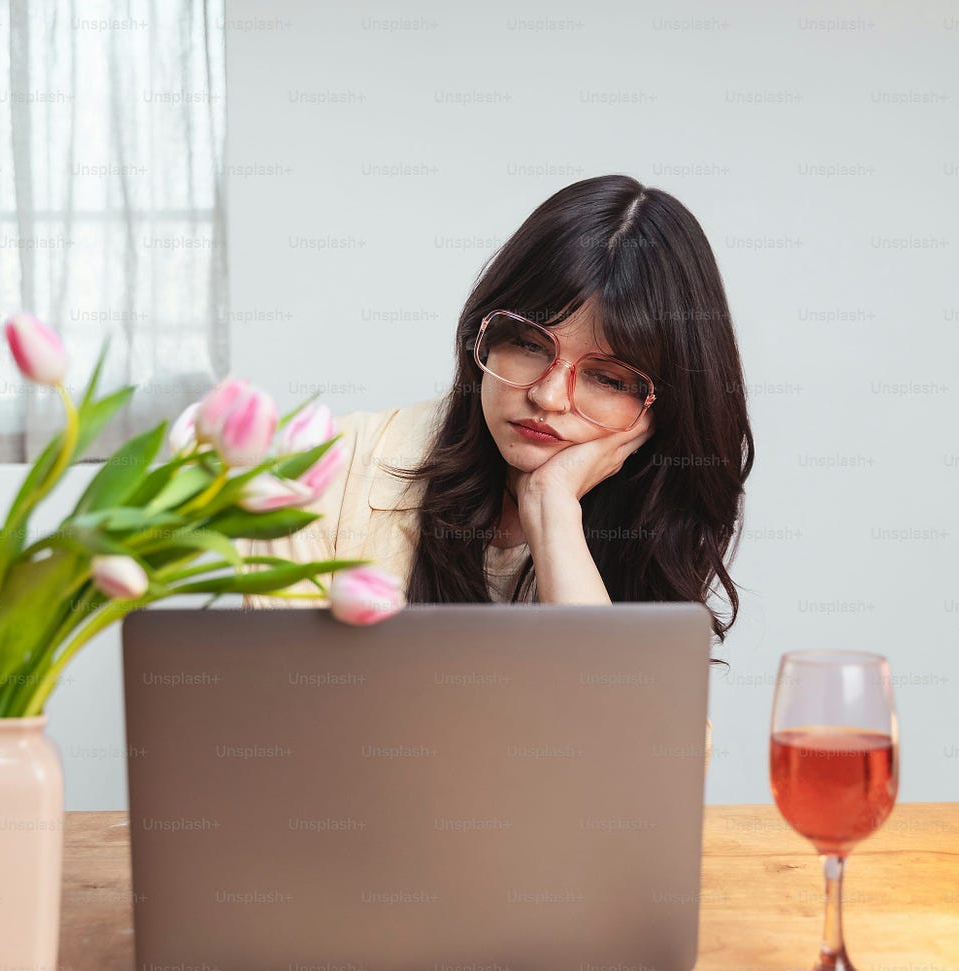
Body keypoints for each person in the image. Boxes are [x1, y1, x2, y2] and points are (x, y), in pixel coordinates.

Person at [241, 174, 756, 770]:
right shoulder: (320, 476)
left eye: (609, 378)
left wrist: (553, 513)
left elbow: (650, 772)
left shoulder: (645, 517)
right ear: (482, 337)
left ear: (658, 412)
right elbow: (299, 751)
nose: (548, 396)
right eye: (530, 345)